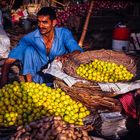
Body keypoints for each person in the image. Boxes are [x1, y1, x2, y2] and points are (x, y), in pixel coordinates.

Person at [0, 7, 83, 87]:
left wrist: (67, 56)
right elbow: (8, 61)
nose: (40, 25)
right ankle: (30, 86)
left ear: (54, 23)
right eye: (39, 22)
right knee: (29, 50)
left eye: (45, 22)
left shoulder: (64, 34)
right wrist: (3, 84)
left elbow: (77, 51)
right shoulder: (30, 38)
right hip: (37, 81)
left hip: (59, 80)